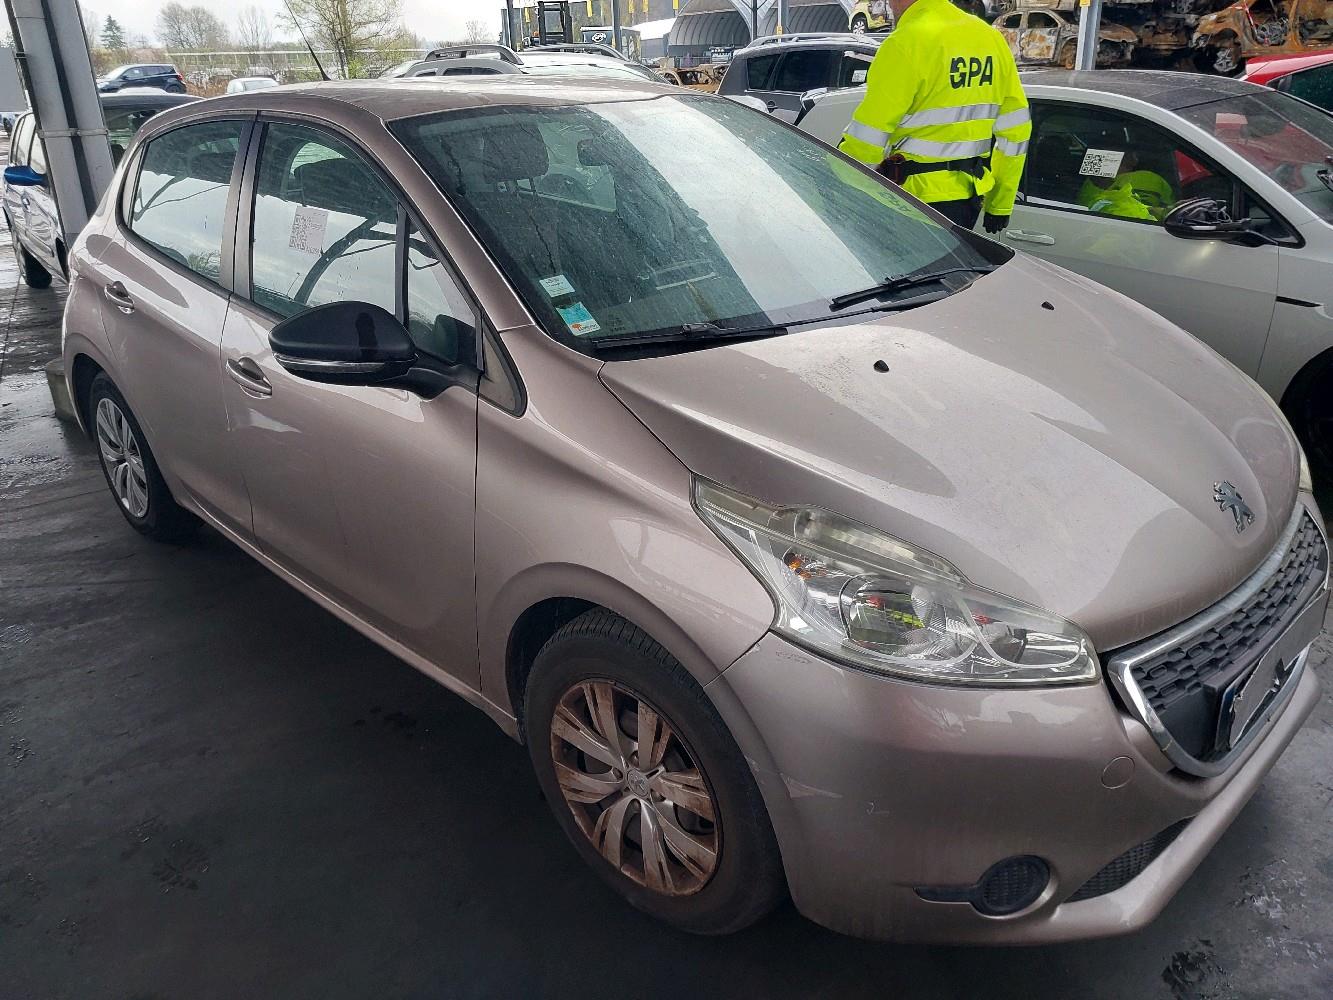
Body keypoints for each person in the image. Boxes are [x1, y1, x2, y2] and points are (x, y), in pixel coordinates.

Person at [838, 0, 1030, 232]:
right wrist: (1000, 204)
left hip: (911, 203)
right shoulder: (991, 39)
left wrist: (838, 185)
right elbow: (1016, 130)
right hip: (967, 201)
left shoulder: (906, 42)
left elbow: (867, 137)